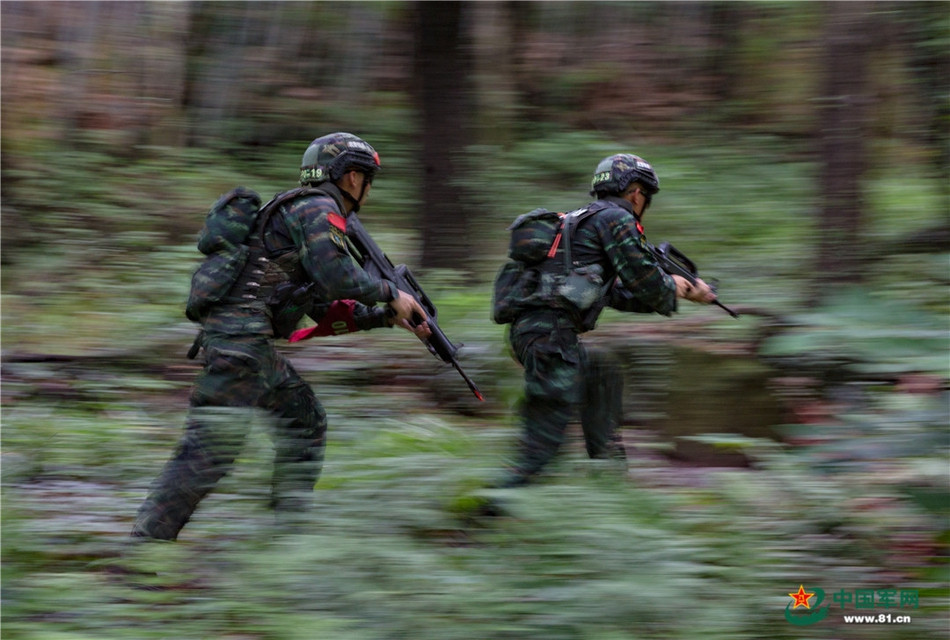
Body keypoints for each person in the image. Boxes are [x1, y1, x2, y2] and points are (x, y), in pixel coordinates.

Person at [131, 132, 430, 540]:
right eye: (368, 179)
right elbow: (336, 275)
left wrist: (384, 317)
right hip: (243, 346)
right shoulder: (317, 208)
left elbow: (324, 307)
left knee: (305, 422)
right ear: (353, 178)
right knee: (209, 451)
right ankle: (146, 545)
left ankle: (286, 539)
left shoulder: (301, 211)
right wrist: (390, 293)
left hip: (247, 345)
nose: (368, 189)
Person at [492, 153, 716, 489]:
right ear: (636, 193)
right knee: (541, 452)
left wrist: (671, 291)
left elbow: (616, 293)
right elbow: (647, 282)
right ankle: (476, 518)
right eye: (646, 198)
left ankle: (611, 483)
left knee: (601, 373)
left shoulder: (582, 221)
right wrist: (681, 289)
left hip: (539, 333)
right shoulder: (616, 220)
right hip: (549, 336)